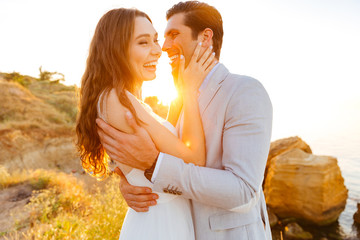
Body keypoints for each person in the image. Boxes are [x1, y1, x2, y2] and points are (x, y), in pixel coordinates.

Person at [97, 1, 273, 240]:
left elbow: (243, 191)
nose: (164, 47)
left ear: (205, 38)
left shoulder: (244, 91)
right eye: (162, 38)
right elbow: (161, 161)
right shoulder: (178, 100)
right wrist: (132, 182)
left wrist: (154, 166)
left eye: (173, 35)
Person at [76, 7, 217, 240]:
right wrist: (190, 92)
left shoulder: (123, 98)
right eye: (143, 43)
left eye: (155, 40)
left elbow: (163, 139)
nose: (157, 50)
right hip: (160, 225)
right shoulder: (117, 99)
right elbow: (195, 159)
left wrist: (180, 91)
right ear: (116, 49)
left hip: (162, 219)